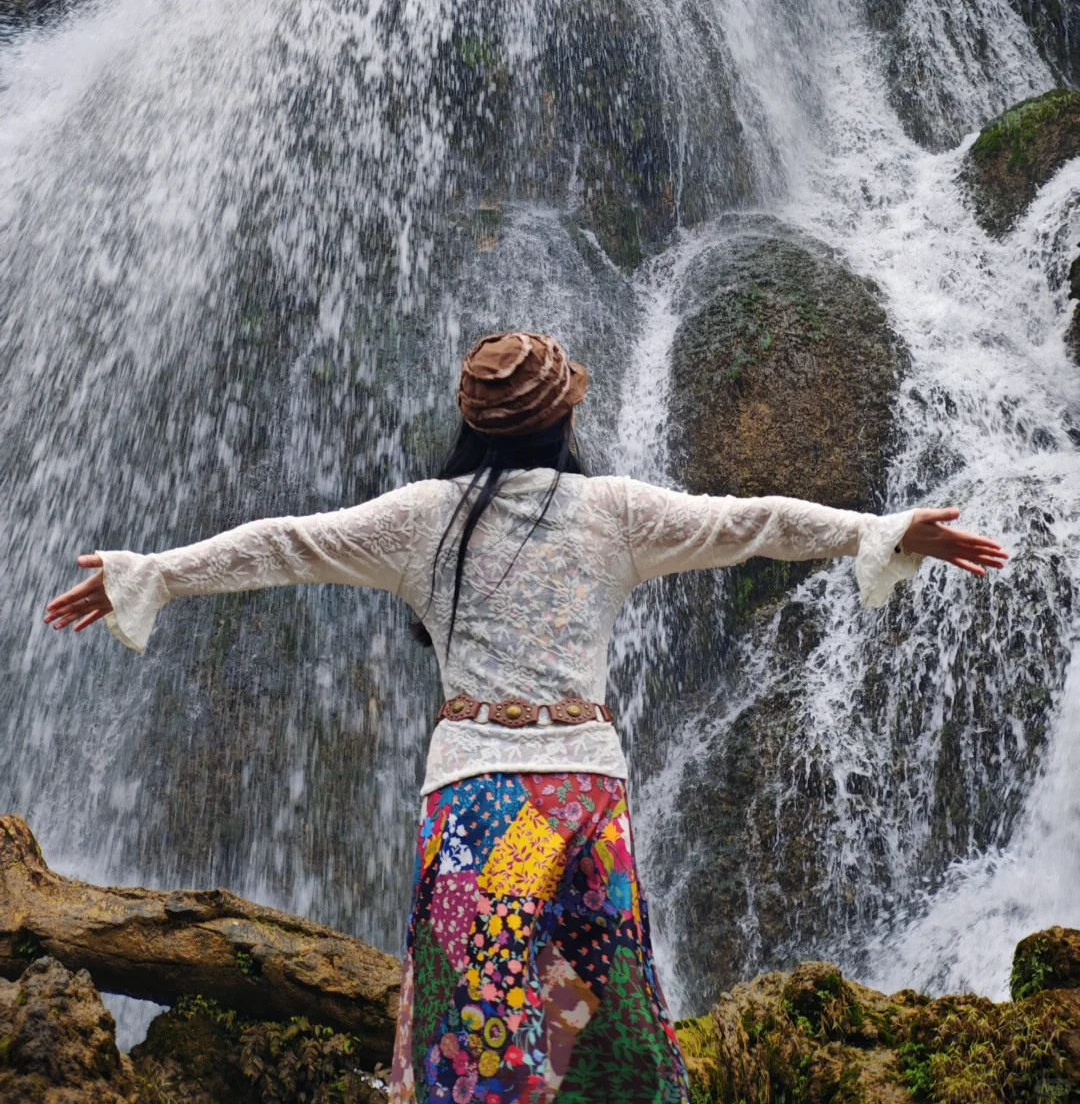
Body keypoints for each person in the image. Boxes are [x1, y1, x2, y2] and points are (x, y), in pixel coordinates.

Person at [45, 331, 1007, 1104]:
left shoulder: (425, 517)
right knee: (612, 1005)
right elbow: (751, 520)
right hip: (585, 794)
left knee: (481, 1015)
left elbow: (285, 543)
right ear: (567, 414)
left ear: (474, 423)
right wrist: (880, 531)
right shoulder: (614, 510)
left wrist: (153, 573)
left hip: (480, 799)